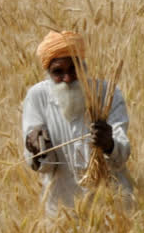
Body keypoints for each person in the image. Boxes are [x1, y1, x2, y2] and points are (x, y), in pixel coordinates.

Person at [22, 30, 132, 214]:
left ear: (84, 65)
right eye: (58, 72)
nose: (67, 78)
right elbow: (44, 166)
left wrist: (109, 144)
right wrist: (37, 151)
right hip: (61, 210)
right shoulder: (37, 98)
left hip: (111, 208)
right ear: (48, 73)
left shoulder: (107, 92)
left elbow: (122, 155)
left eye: (74, 69)